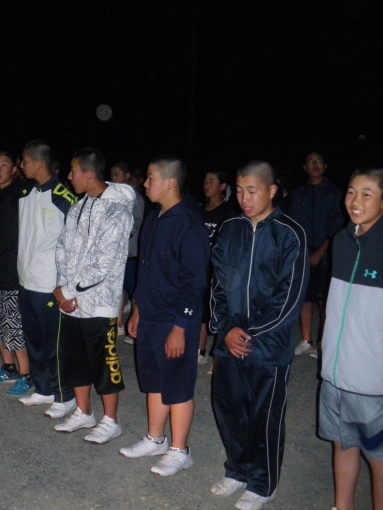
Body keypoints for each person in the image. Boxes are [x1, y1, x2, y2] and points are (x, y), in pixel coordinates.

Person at [209, 161, 308, 510]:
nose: (244, 198)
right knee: (229, 408)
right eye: (239, 190)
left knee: (264, 416)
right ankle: (237, 470)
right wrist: (226, 329)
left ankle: (264, 484)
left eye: (252, 190)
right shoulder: (230, 228)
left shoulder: (290, 233)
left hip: (268, 347)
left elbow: (289, 299)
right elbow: (217, 285)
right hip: (229, 343)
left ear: (272, 190)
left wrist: (248, 334)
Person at [119, 156, 209, 477]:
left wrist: (180, 328)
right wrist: (137, 310)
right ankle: (156, 439)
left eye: (151, 178)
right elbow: (145, 270)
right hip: (151, 316)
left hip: (174, 321)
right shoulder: (155, 217)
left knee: (178, 385)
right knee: (154, 380)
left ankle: (180, 450)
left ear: (170, 182)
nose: (145, 184)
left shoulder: (189, 224)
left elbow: (194, 282)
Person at [52, 148, 134, 444]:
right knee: (75, 359)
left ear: (89, 174)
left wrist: (68, 291)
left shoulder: (117, 210)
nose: (69, 176)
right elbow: (63, 248)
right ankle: (84, 411)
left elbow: (103, 263)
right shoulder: (78, 207)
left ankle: (111, 420)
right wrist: (63, 290)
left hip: (100, 303)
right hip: (72, 302)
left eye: (73, 171)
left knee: (103, 362)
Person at [319, 167, 383, 510]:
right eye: (351, 192)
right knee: (343, 445)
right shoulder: (343, 240)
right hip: (335, 372)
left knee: (379, 456)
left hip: (373, 381)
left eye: (367, 194)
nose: (355, 201)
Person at [17, 139, 78, 419]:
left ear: (40, 164)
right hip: (26, 281)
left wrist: (68, 287)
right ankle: (43, 388)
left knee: (56, 344)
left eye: (25, 161)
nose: (21, 165)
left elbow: (75, 245)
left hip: (50, 285)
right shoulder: (26, 194)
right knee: (34, 340)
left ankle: (64, 395)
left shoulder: (64, 197)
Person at [0, 152, 34, 395]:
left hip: (14, 269)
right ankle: (8, 367)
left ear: (14, 168)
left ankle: (26, 374)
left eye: (4, 165)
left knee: (14, 325)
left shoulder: (22, 193)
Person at [289, 152, 344, 358]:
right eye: (310, 162)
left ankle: (323, 344)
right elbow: (293, 225)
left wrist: (320, 253)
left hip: (327, 255)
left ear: (325, 166)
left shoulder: (334, 193)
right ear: (304, 168)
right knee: (305, 297)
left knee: (325, 301)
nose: (315, 165)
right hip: (303, 253)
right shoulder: (299, 194)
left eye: (319, 161)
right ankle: (307, 341)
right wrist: (302, 254)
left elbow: (338, 226)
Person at [198, 166, 234, 368]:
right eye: (205, 181)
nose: (207, 185)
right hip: (200, 268)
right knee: (201, 310)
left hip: (220, 270)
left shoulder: (229, 212)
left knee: (219, 310)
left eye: (212, 181)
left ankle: (219, 358)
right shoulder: (199, 211)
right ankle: (200, 351)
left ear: (222, 186)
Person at [109, 162, 144, 344]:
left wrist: (119, 237)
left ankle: (135, 327)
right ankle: (120, 324)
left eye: (117, 174)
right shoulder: (111, 195)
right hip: (116, 252)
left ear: (127, 176)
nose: (113, 178)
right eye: (112, 174)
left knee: (134, 290)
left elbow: (135, 224)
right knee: (118, 288)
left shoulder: (136, 197)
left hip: (131, 252)